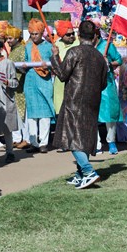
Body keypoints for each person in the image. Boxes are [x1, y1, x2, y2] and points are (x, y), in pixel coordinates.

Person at [50, 19, 110, 188]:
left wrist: (55, 57)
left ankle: (88, 170)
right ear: (95, 36)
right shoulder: (100, 57)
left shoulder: (74, 52)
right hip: (93, 99)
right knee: (85, 135)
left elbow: (62, 75)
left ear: (78, 35)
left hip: (74, 99)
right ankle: (80, 173)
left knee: (72, 136)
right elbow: (103, 83)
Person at [20, 19, 56, 152]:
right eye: (32, 34)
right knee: (32, 114)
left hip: (44, 82)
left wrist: (49, 64)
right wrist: (23, 67)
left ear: (41, 33)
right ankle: (34, 143)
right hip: (30, 82)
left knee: (45, 113)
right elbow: (24, 63)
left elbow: (55, 64)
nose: (34, 36)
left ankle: (44, 144)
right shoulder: (28, 47)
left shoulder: (49, 47)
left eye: (36, 33)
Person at [94, 20, 122, 155]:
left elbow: (119, 60)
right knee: (91, 115)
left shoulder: (107, 45)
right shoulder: (84, 46)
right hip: (90, 84)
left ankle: (111, 142)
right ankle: (96, 144)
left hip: (107, 83)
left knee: (109, 114)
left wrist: (109, 62)